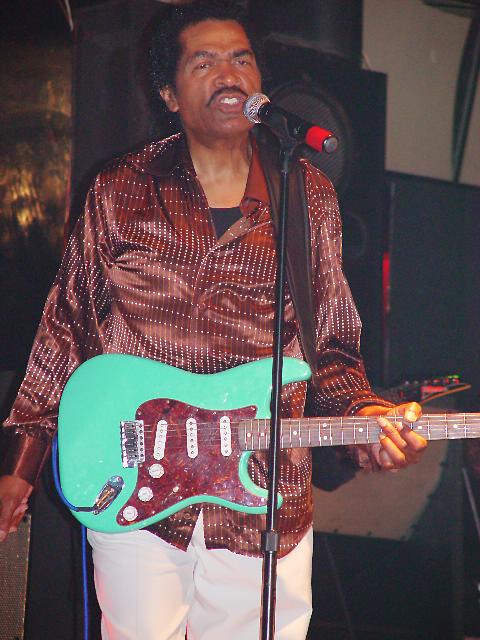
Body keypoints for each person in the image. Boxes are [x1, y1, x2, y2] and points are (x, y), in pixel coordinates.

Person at [0, 2, 427, 639]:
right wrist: (20, 465)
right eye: (204, 62)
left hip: (264, 496)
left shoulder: (306, 193)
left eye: (240, 58)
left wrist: (365, 417)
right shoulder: (120, 188)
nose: (228, 73)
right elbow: (64, 329)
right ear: (169, 94)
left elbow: (332, 345)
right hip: (136, 485)